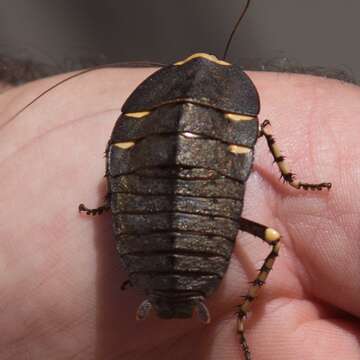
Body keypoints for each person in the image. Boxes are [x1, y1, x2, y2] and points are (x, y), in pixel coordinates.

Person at [0, 60, 359, 359]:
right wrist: (292, 184)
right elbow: (261, 134)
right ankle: (241, 317)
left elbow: (118, 157)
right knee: (273, 241)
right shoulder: (245, 126)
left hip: (147, 243)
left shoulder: (128, 135)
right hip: (194, 240)